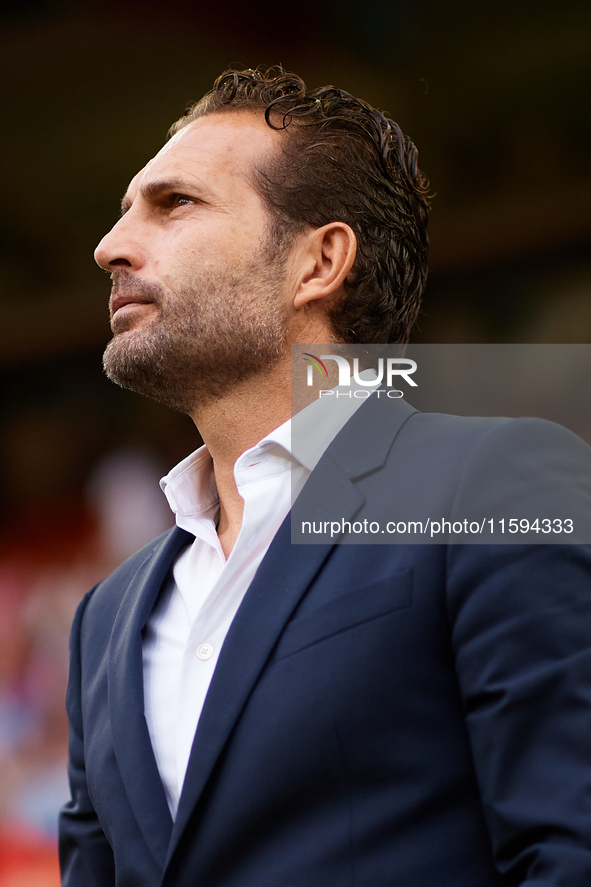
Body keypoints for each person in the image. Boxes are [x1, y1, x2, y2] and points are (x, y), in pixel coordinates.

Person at [59, 67, 591, 886]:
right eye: (127, 209)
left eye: (176, 204)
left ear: (318, 262)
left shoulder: (492, 481)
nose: (111, 245)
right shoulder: (105, 617)